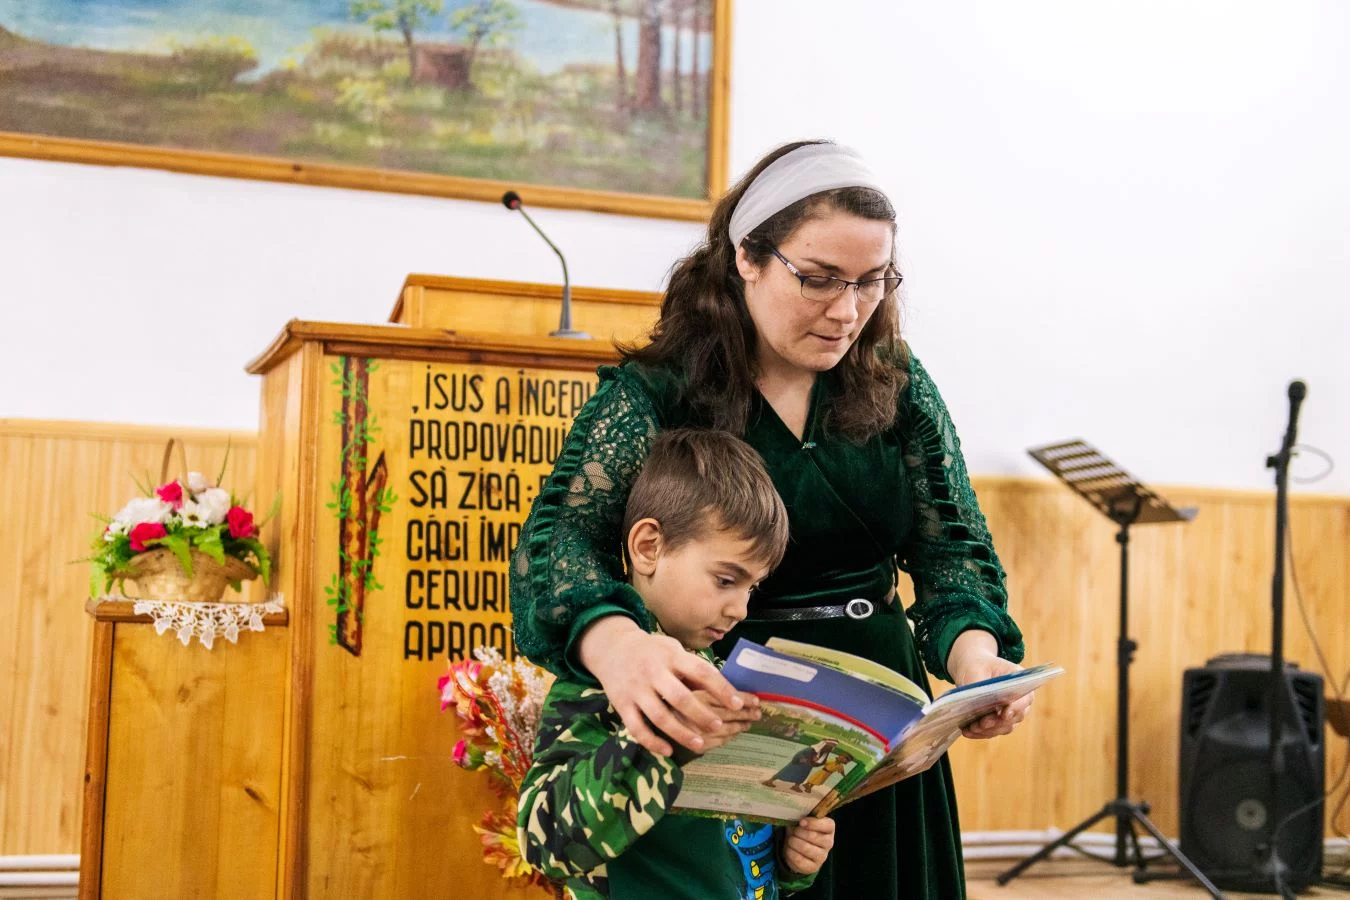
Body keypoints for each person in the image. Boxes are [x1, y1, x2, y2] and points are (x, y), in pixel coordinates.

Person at [510, 140, 1031, 900]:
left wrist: (976, 661)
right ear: (746, 257)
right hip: (740, 711)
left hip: (880, 714)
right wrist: (621, 649)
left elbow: (954, 550)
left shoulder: (898, 383)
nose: (849, 310)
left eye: (873, 282)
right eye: (818, 279)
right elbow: (559, 543)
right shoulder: (658, 393)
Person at [517, 429, 837, 900]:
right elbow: (545, 843)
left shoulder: (721, 673)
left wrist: (788, 858)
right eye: (726, 579)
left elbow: (728, 844)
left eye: (752, 588)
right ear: (649, 547)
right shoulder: (600, 681)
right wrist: (658, 739)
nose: (740, 609)